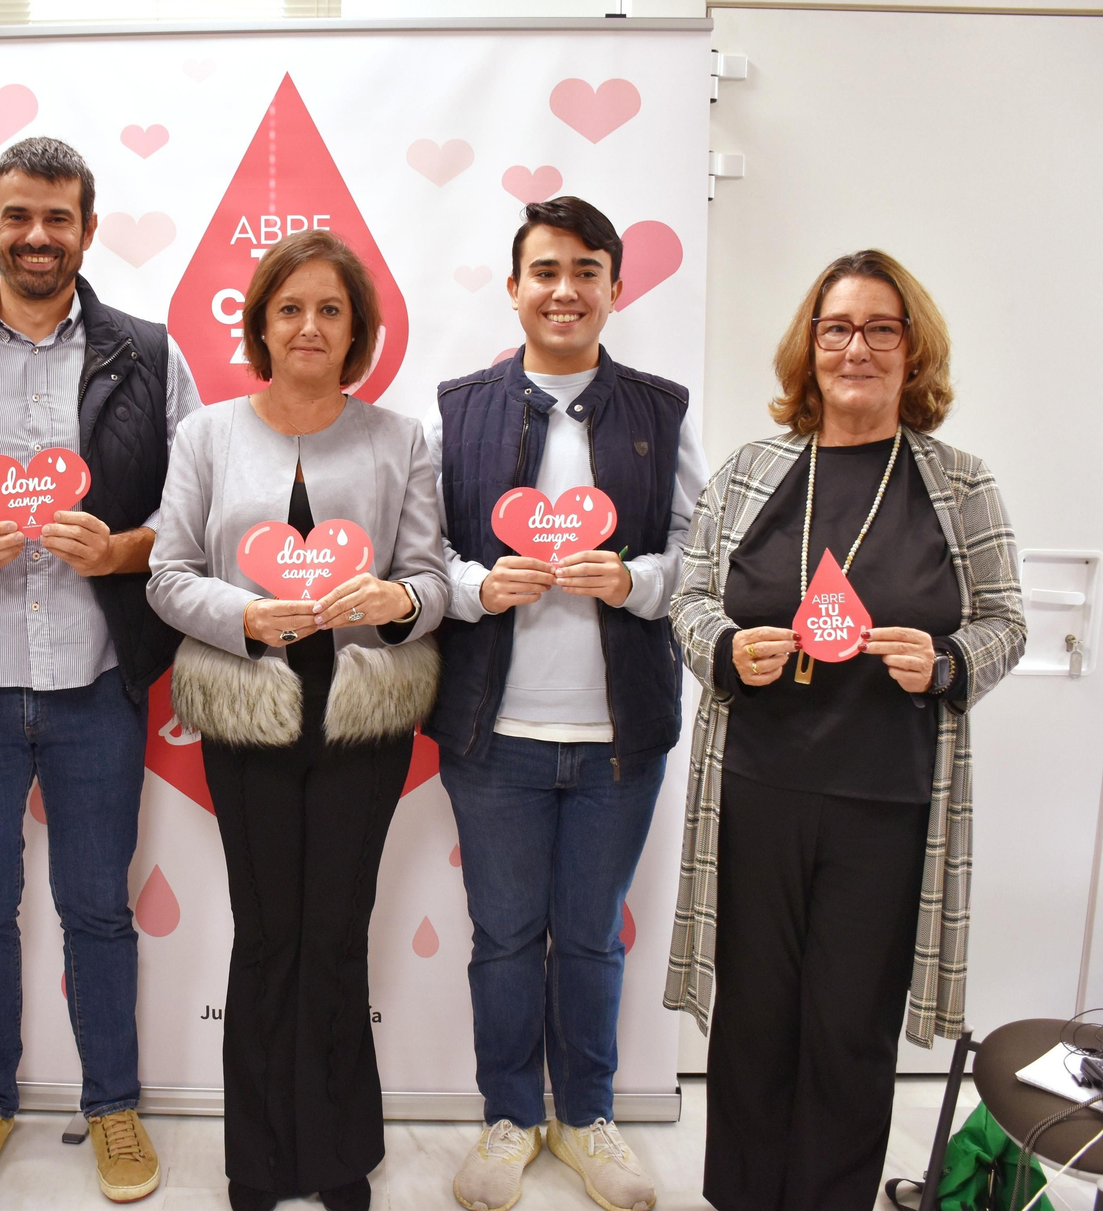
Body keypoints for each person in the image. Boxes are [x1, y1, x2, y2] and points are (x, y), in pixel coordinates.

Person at [663, 250, 1026, 1210]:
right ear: (808, 347)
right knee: (752, 1022)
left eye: (879, 329)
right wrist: (727, 648)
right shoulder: (751, 470)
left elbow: (1006, 620)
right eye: (836, 329)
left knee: (847, 1030)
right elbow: (691, 598)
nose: (855, 347)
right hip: (758, 792)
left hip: (889, 801)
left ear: (913, 350)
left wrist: (948, 662)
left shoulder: (959, 483)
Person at [0, 137, 201, 1203]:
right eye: (18, 214)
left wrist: (121, 549)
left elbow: (198, 511)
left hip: (97, 679)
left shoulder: (147, 354)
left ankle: (112, 1102)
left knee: (97, 904)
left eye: (58, 217)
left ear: (86, 230)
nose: (37, 235)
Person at [147, 228, 448, 1211]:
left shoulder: (401, 438)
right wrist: (242, 614)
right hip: (251, 712)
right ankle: (258, 1157)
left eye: (330, 309)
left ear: (357, 328)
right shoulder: (206, 435)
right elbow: (167, 574)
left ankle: (337, 1151)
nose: (310, 325)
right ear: (260, 324)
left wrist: (395, 603)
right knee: (267, 931)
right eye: (290, 308)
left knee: (336, 930)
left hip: (361, 717)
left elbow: (432, 576)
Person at [424, 196, 708, 1211]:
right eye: (545, 269)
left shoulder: (662, 410)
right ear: (513, 288)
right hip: (489, 731)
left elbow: (698, 555)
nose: (564, 288)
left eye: (586, 270)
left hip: (616, 736)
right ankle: (509, 1114)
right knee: (501, 934)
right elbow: (427, 555)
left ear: (614, 289)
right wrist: (473, 587)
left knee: (589, 934)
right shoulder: (455, 408)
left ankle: (587, 1115)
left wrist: (631, 580)